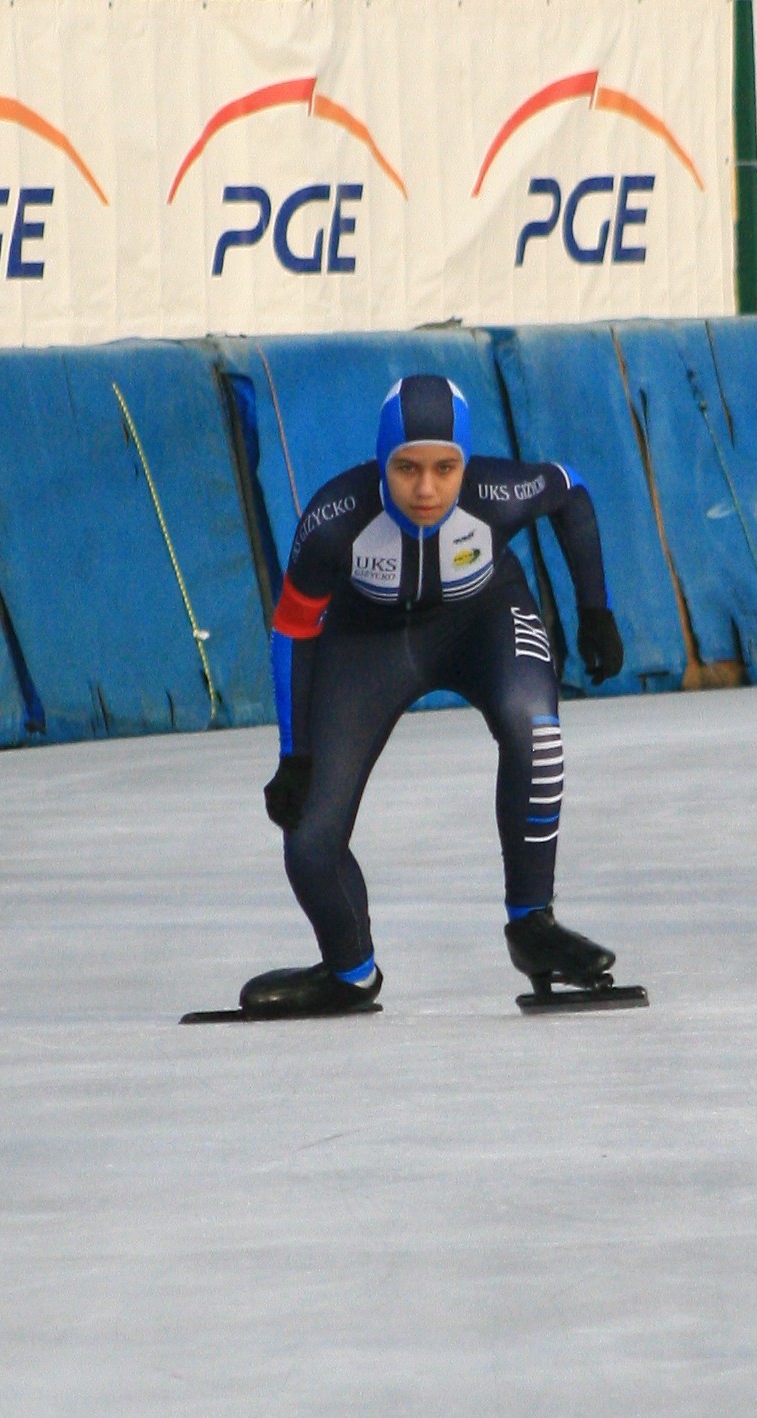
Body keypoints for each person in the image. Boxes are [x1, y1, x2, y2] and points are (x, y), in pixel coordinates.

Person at [251, 372, 625, 1016]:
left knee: (537, 733)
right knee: (308, 838)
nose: (426, 489)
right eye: (407, 468)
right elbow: (293, 628)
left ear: (466, 465)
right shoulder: (335, 517)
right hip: (367, 645)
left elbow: (572, 492)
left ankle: (533, 924)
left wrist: (596, 609)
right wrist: (295, 753)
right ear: (381, 462)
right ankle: (349, 971)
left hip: (483, 622)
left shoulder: (497, 491)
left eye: (445, 469)